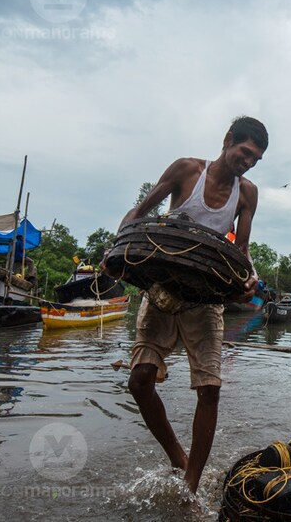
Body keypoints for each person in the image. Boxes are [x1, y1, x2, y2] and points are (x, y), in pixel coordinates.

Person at [113, 115, 268, 494]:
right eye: (245, 152)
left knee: (209, 390)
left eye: (255, 160)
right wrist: (114, 251)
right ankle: (177, 457)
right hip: (162, 290)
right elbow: (140, 213)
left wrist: (249, 278)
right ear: (228, 140)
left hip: (206, 299)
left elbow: (241, 249)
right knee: (139, 381)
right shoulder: (186, 170)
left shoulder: (247, 193)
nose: (247, 162)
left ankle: (191, 485)